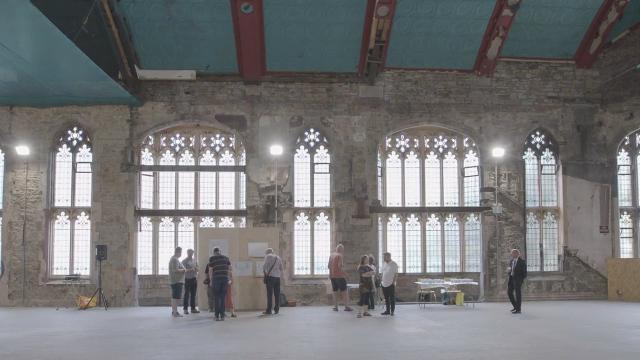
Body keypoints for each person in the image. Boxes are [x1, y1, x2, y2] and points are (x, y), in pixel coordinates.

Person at [208, 247, 232, 321]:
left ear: (214, 252)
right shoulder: (226, 258)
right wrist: (229, 279)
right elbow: (230, 269)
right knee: (222, 298)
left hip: (216, 279)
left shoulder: (212, 258)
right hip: (225, 279)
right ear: (220, 252)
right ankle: (222, 316)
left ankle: (216, 316)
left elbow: (210, 270)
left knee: (216, 298)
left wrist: (211, 281)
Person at [328, 244, 352, 311]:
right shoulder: (340, 256)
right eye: (343, 250)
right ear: (341, 250)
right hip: (340, 276)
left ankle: (335, 307)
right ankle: (346, 306)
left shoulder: (331, 255)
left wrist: (330, 274)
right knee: (344, 291)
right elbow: (340, 267)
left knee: (335, 291)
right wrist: (346, 275)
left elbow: (329, 266)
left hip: (333, 276)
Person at [262, 248, 283, 315]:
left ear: (267, 253)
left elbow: (264, 266)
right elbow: (281, 268)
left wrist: (266, 274)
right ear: (272, 252)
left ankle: (269, 310)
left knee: (269, 294)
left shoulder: (268, 256)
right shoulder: (278, 257)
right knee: (277, 294)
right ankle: (276, 310)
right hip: (277, 278)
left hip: (270, 277)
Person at [507, 249, 527, 314]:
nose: (511, 254)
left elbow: (525, 273)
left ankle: (518, 309)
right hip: (511, 279)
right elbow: (510, 270)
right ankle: (515, 307)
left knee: (518, 294)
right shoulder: (511, 261)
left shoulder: (522, 262)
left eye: (512, 253)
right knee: (509, 292)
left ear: (517, 254)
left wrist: (520, 280)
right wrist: (509, 271)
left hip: (518, 280)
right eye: (511, 253)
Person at [168, 247, 186, 317]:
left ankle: (174, 311)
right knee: (175, 297)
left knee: (175, 297)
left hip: (177, 281)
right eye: (180, 252)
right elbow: (175, 270)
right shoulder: (174, 259)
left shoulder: (176, 259)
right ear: (177, 252)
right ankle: (175, 312)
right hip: (176, 281)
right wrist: (184, 270)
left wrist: (183, 269)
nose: (181, 254)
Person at [182, 249, 200, 314]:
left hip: (194, 279)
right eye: (190, 253)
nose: (191, 254)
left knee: (193, 295)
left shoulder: (194, 260)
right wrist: (191, 269)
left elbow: (198, 269)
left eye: (192, 253)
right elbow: (183, 270)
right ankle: (185, 309)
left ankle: (193, 309)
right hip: (187, 279)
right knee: (186, 294)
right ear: (187, 253)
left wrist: (196, 269)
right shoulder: (184, 261)